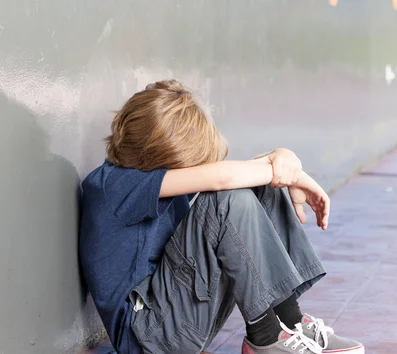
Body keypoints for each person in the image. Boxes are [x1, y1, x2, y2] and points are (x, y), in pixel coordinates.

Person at [79, 80, 364, 354]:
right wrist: (295, 174)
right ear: (159, 156)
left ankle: (290, 323)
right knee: (226, 197)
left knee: (257, 186)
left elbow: (235, 176)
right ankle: (265, 339)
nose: (192, 170)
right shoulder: (113, 185)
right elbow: (223, 179)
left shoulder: (146, 176)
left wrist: (282, 158)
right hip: (147, 337)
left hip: (179, 318)